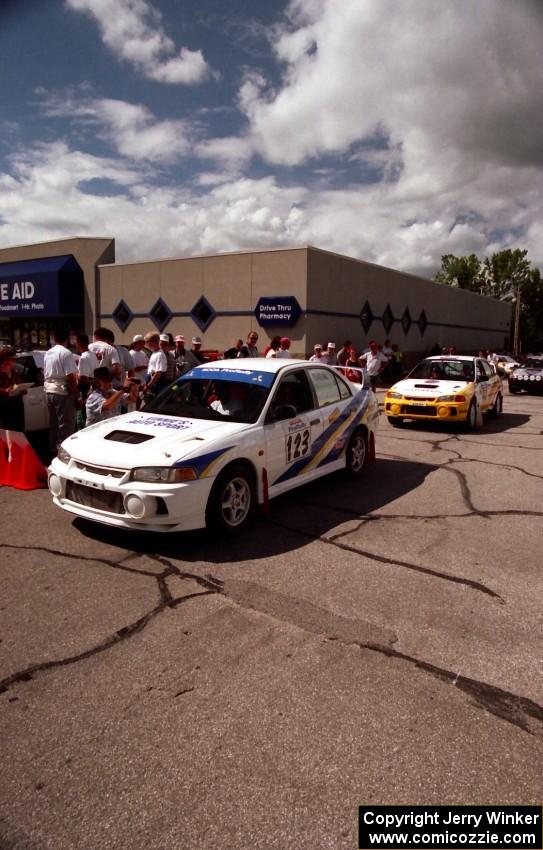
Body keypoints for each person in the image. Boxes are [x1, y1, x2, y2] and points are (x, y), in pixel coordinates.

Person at [43, 328, 78, 454]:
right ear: (67, 340)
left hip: (49, 390)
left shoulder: (48, 353)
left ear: (54, 339)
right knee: (65, 424)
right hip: (62, 391)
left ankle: (52, 449)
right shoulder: (66, 353)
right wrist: (77, 395)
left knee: (54, 423)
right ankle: (62, 452)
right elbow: (70, 377)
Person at [0, 346, 26, 431]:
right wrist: (5, 391)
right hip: (5, 407)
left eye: (15, 359)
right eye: (12, 359)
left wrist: (22, 389)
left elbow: (19, 383)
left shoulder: (14, 371)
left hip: (17, 405)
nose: (14, 361)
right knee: (8, 431)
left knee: (20, 430)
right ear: (5, 359)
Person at [142, 332, 166, 397]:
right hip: (151, 382)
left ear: (154, 342)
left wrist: (149, 386)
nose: (147, 345)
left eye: (148, 342)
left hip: (156, 384)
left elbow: (158, 373)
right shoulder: (154, 353)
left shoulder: (160, 354)